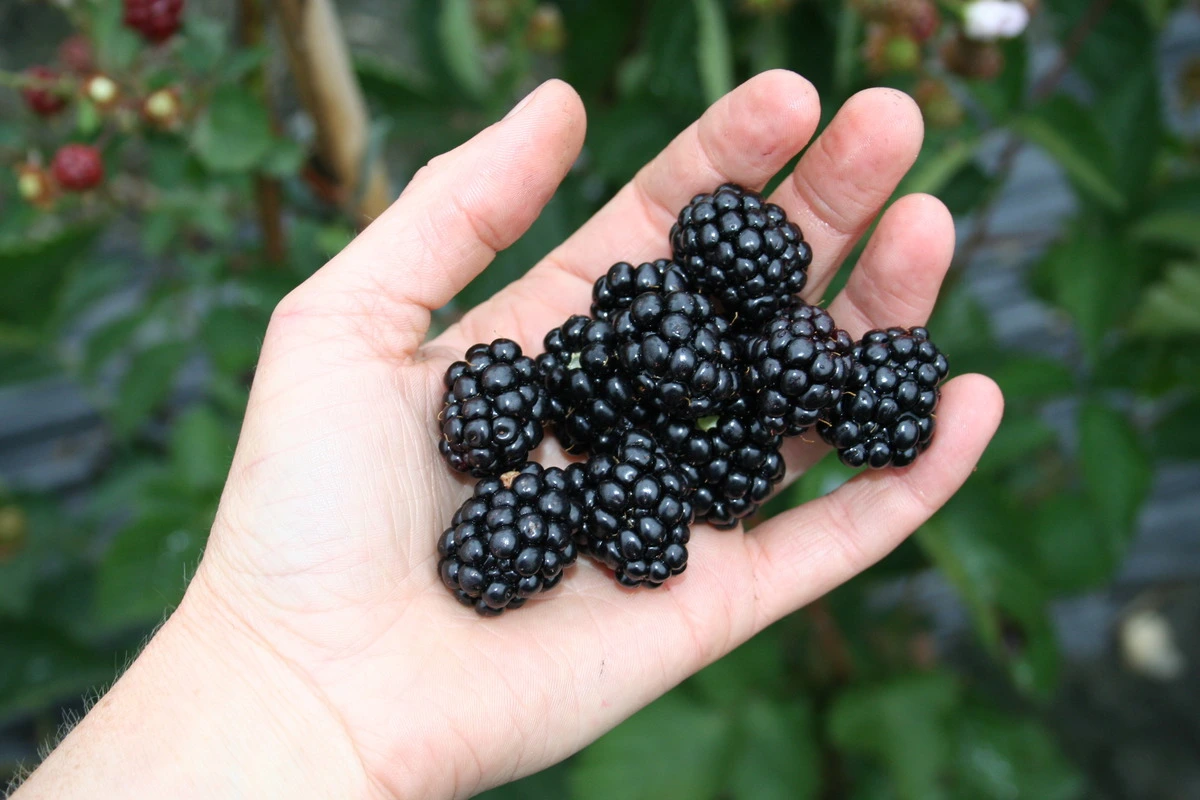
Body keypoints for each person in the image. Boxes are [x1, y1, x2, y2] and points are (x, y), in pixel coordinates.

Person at [12, 72, 1002, 799]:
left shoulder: (687, 383)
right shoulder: (621, 396)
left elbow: (677, 417)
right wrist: (274, 670)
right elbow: (634, 422)